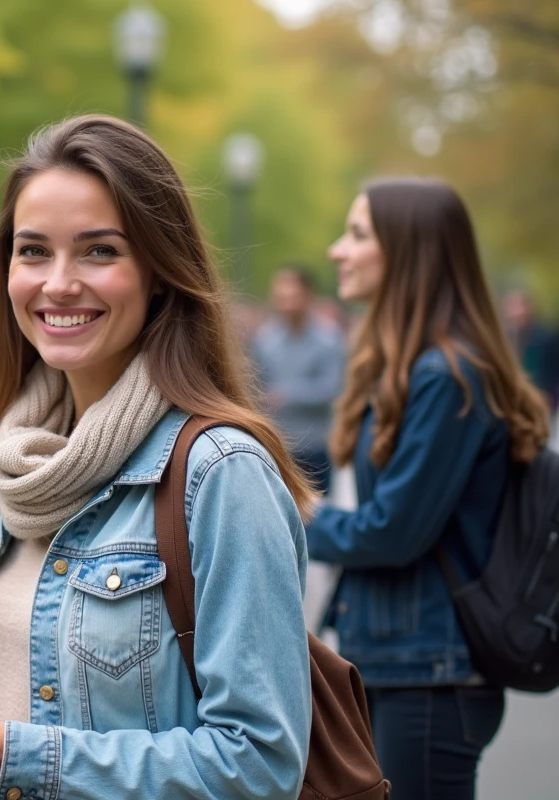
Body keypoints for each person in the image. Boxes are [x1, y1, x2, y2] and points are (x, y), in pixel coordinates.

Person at [0, 115, 315, 799]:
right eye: (33, 252)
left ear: (159, 271)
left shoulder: (219, 471)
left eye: (99, 252)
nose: (59, 283)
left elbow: (260, 762)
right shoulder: (27, 459)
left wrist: (18, 758)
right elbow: (35, 693)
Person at [308, 179, 552, 800]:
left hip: (430, 671)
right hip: (404, 662)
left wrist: (295, 513)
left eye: (358, 234)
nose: (338, 250)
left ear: (408, 252)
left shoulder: (447, 376)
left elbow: (394, 531)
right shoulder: (414, 368)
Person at [251, 266, 347, 493]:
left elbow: (332, 388)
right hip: (278, 445)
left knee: (318, 517)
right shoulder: (266, 339)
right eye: (281, 297)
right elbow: (257, 383)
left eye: (292, 296)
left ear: (308, 296)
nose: (286, 303)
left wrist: (287, 395)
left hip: (315, 445)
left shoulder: (329, 339)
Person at [503, 288, 559, 414]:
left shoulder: (546, 337)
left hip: (544, 399)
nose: (517, 313)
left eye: (520, 307)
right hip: (515, 400)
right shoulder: (505, 338)